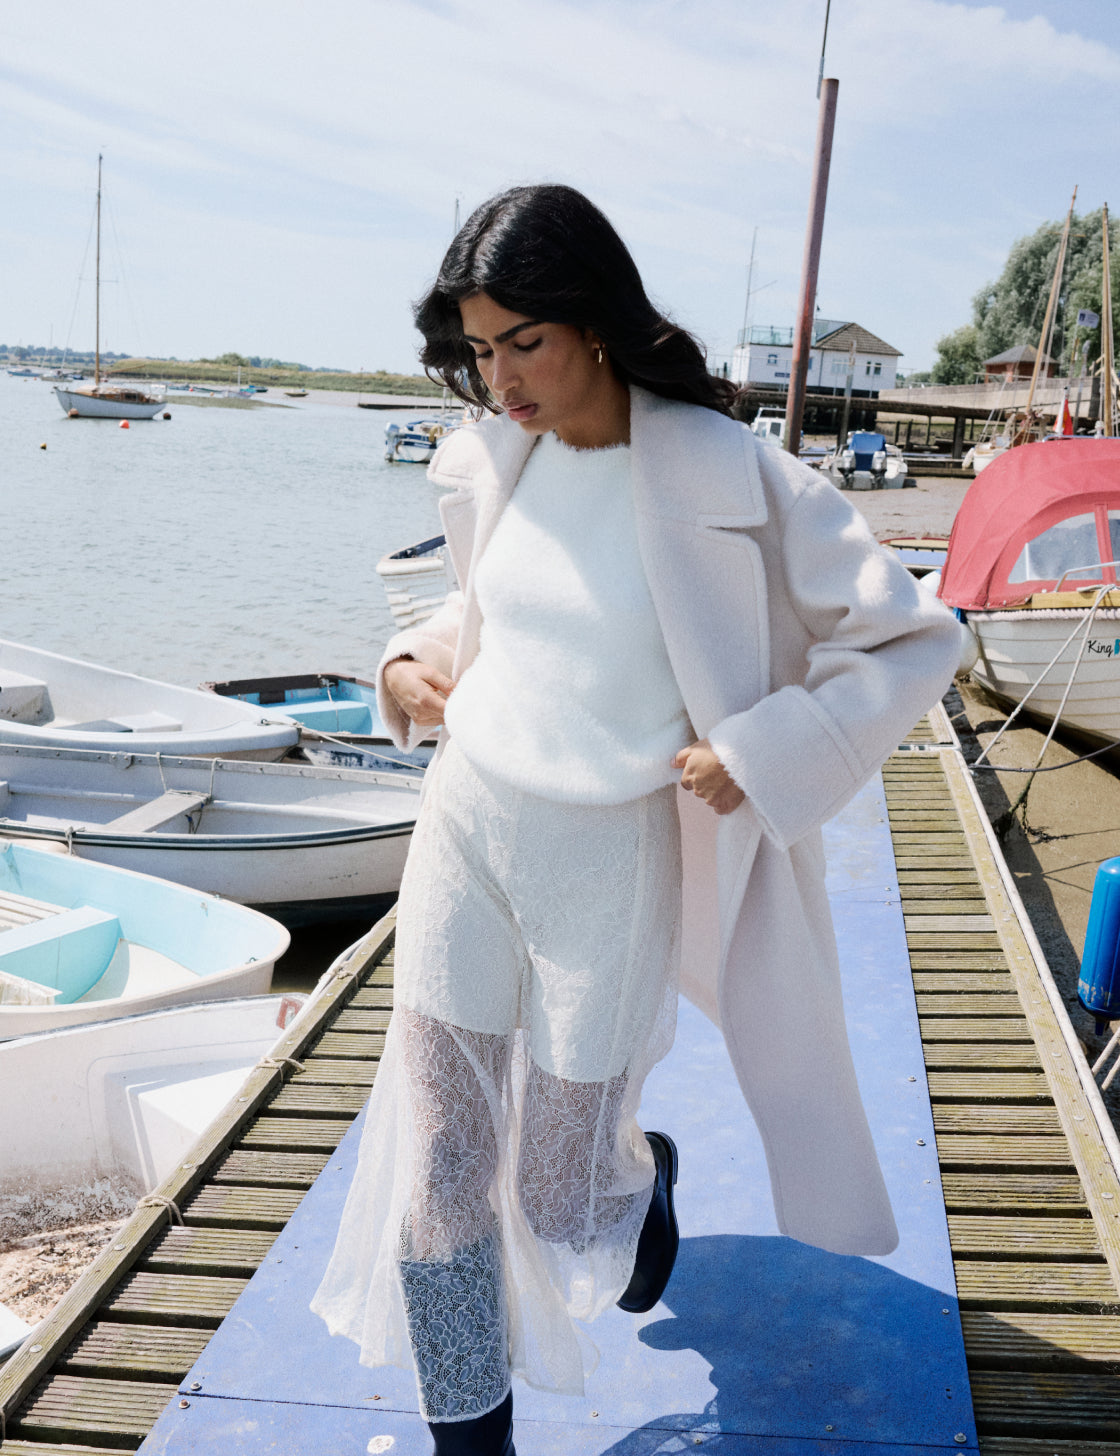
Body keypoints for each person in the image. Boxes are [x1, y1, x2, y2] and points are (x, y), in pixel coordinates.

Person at [312, 184, 960, 1455]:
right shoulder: (499, 452)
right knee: (441, 1166)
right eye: (477, 349)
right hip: (467, 826)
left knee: (555, 1197)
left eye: (522, 344)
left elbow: (907, 634)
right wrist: (405, 664)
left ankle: (634, 1172)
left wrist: (758, 748)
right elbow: (502, 614)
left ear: (595, 322)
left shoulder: (731, 474)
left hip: (608, 853)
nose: (496, 378)